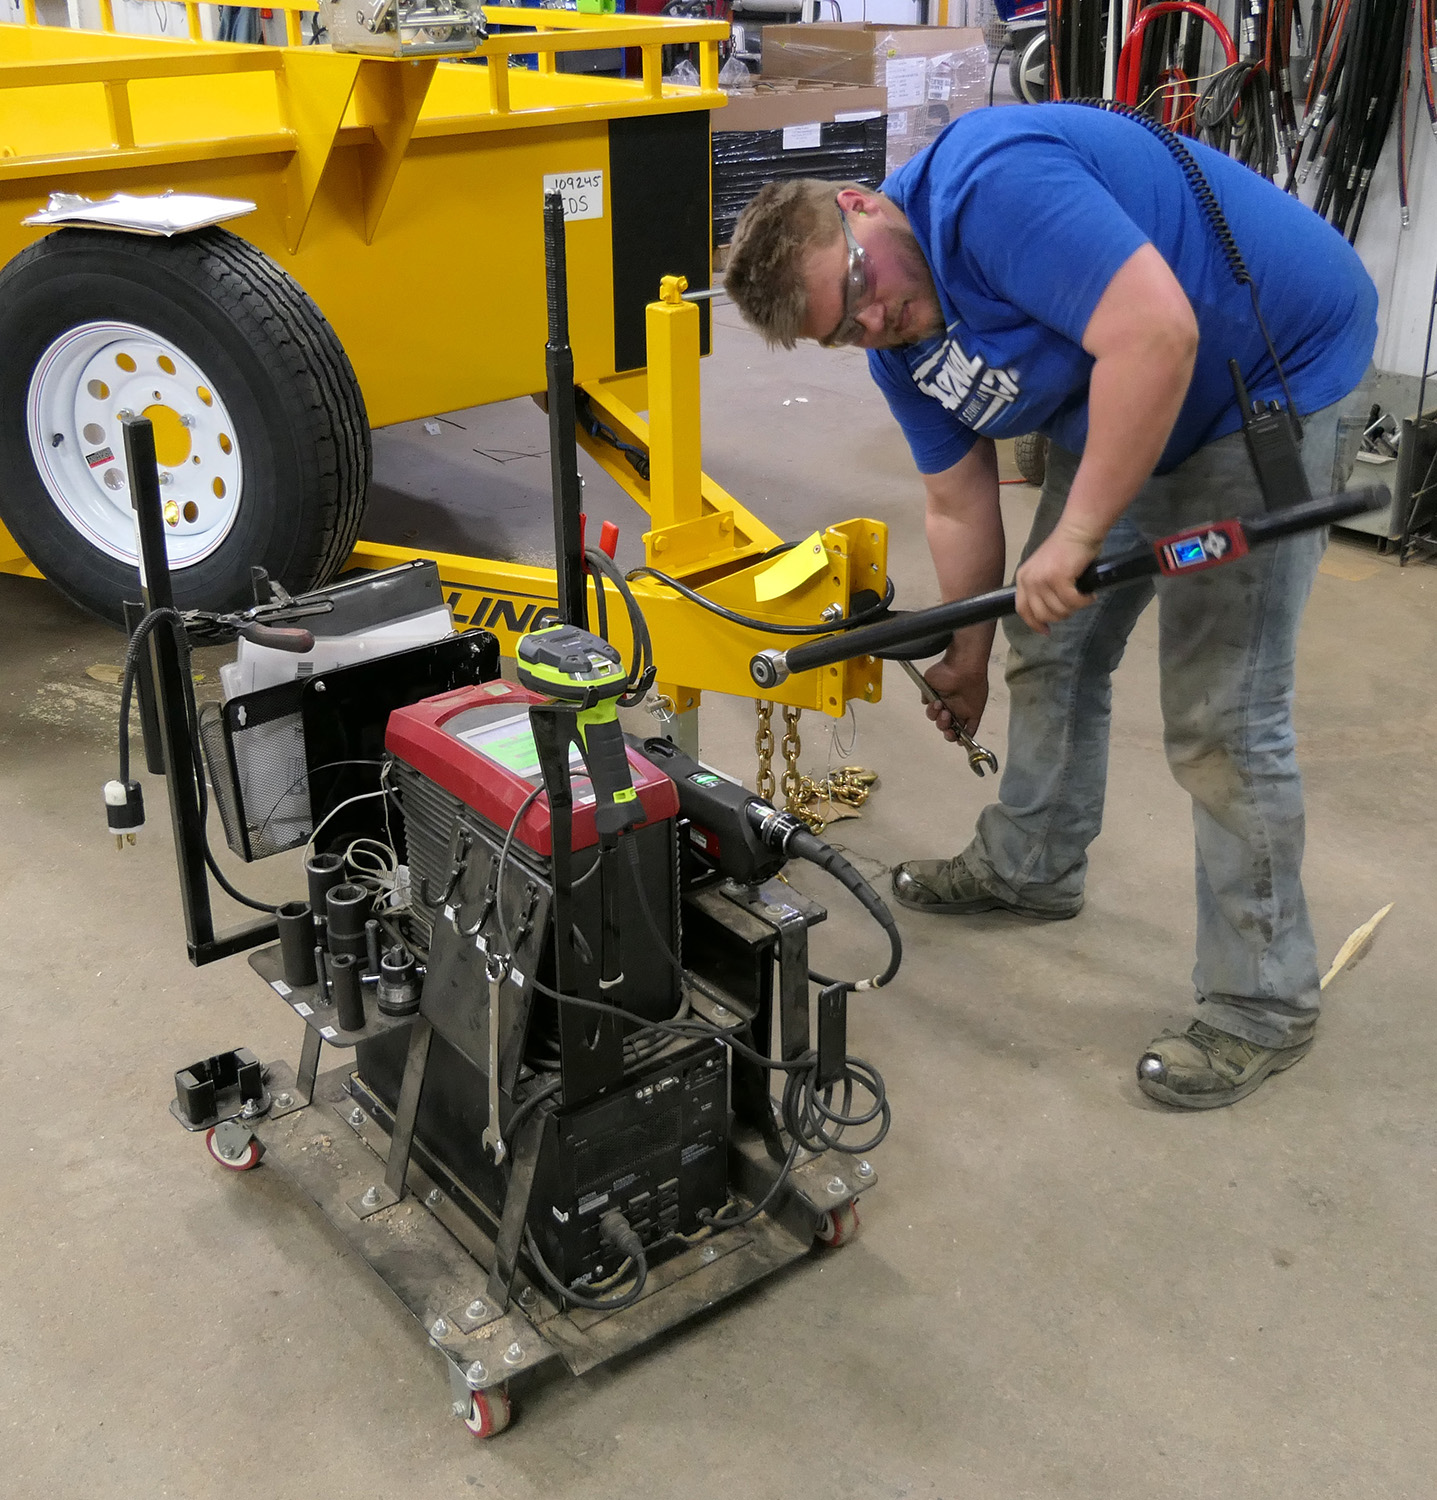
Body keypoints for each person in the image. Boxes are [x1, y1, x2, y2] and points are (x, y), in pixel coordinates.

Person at [723, 102, 1377, 1109]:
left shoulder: (990, 190)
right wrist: (968, 653)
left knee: (1223, 716)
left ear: (863, 204)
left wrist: (1072, 540)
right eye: (838, 330)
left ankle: (1263, 1001)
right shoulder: (896, 344)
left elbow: (1159, 333)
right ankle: (1032, 862)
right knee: (1048, 644)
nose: (870, 323)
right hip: (1128, 392)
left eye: (859, 290)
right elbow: (955, 496)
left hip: (1262, 377)